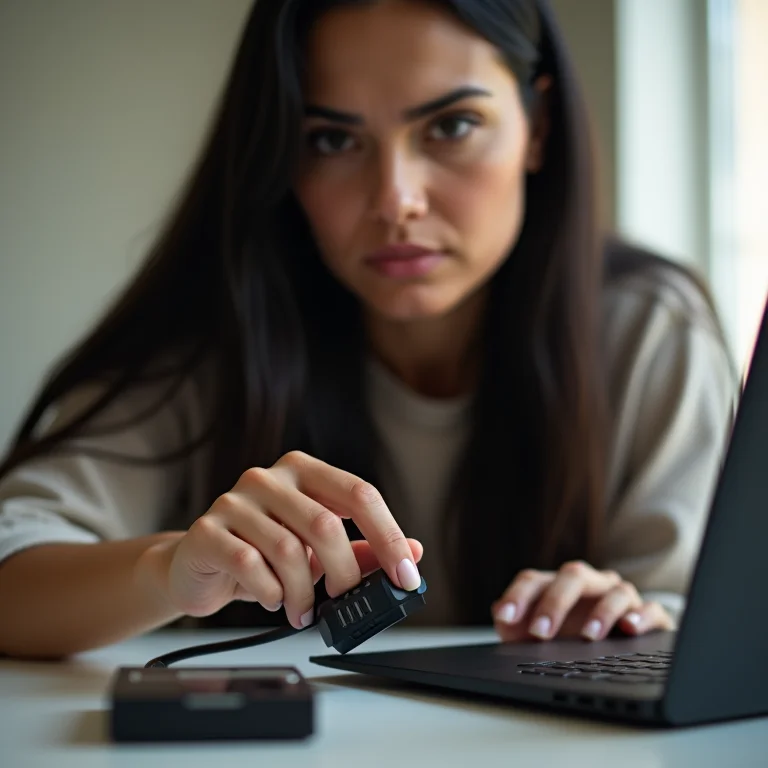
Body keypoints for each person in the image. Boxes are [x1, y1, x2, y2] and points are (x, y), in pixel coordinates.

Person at [0, 0, 737, 660]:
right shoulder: (216, 332)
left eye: (451, 126)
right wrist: (167, 568)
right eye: (331, 140)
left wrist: (627, 615)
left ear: (537, 128)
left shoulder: (648, 332)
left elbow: (703, 620)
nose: (395, 200)